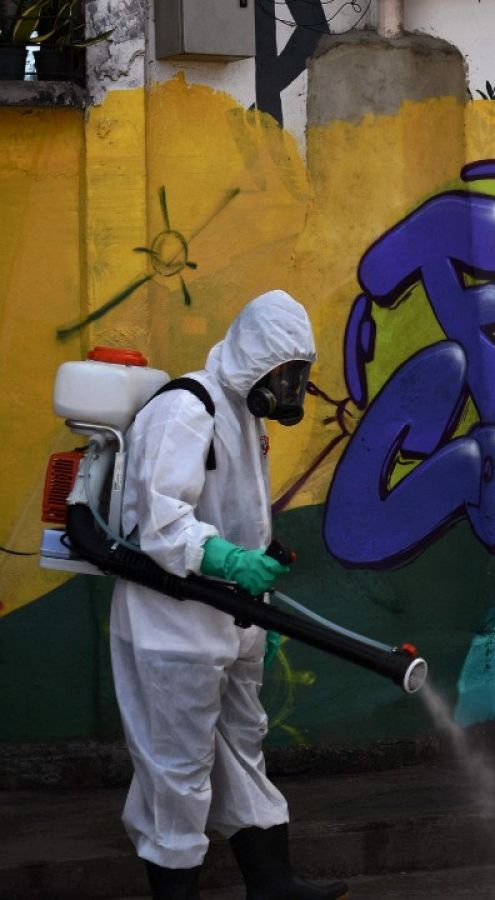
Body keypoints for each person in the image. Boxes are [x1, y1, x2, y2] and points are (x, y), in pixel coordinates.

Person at [112, 290, 347, 899]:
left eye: (298, 374)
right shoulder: (185, 408)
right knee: (177, 768)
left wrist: (256, 600)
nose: (290, 388)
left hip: (232, 617)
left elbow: (238, 513)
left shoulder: (244, 415)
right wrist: (227, 559)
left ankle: (272, 884)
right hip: (173, 623)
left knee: (243, 747)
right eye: (283, 373)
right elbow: (160, 523)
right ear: (253, 358)